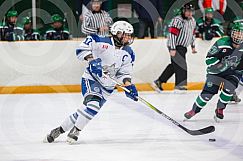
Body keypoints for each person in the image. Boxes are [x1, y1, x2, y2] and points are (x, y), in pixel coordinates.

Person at [44, 21, 138, 144]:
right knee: (93, 105)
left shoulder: (129, 52)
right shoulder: (99, 40)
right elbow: (81, 49)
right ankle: (76, 131)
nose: (128, 38)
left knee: (83, 113)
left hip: (107, 88)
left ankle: (58, 130)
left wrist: (128, 85)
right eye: (125, 35)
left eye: (129, 35)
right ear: (116, 34)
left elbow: (125, 73)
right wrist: (92, 60)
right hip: (91, 79)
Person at [184, 22, 243, 122]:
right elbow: (209, 59)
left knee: (229, 89)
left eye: (241, 33)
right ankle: (194, 110)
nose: (238, 36)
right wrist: (220, 65)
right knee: (207, 94)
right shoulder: (222, 42)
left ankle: (220, 109)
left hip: (233, 73)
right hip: (216, 72)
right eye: (236, 33)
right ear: (231, 33)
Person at [154, 3, 197, 91]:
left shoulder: (192, 21)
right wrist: (173, 48)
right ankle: (180, 85)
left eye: (191, 11)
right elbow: (172, 35)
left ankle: (160, 81)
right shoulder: (177, 20)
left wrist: (193, 46)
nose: (189, 13)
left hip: (183, 47)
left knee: (175, 66)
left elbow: (192, 34)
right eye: (187, 11)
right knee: (181, 65)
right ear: (183, 11)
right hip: (175, 46)